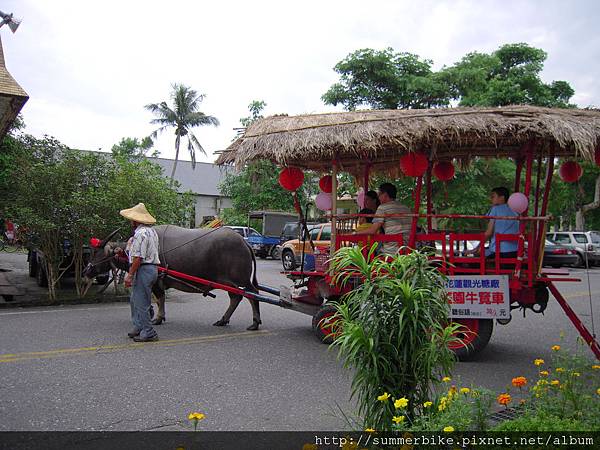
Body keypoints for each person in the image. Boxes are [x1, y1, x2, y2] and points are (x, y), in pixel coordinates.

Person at [120, 202, 161, 342]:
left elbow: (138, 257)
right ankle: (139, 326)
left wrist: (130, 274)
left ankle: (148, 331)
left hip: (144, 268)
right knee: (135, 299)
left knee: (141, 302)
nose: (131, 221)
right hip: (151, 268)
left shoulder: (141, 233)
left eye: (132, 219)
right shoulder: (152, 231)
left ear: (136, 220)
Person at [354, 183, 412, 255]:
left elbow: (372, 230)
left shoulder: (382, 208)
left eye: (379, 195)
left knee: (370, 251)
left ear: (385, 194)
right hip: (408, 249)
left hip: (391, 251)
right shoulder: (405, 208)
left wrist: (355, 233)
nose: (378, 197)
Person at [465, 187, 519, 258]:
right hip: (515, 252)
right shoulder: (516, 210)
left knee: (476, 254)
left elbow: (489, 233)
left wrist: (477, 248)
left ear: (502, 197)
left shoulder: (495, 209)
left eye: (493, 196)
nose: (491, 199)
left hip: (499, 252)